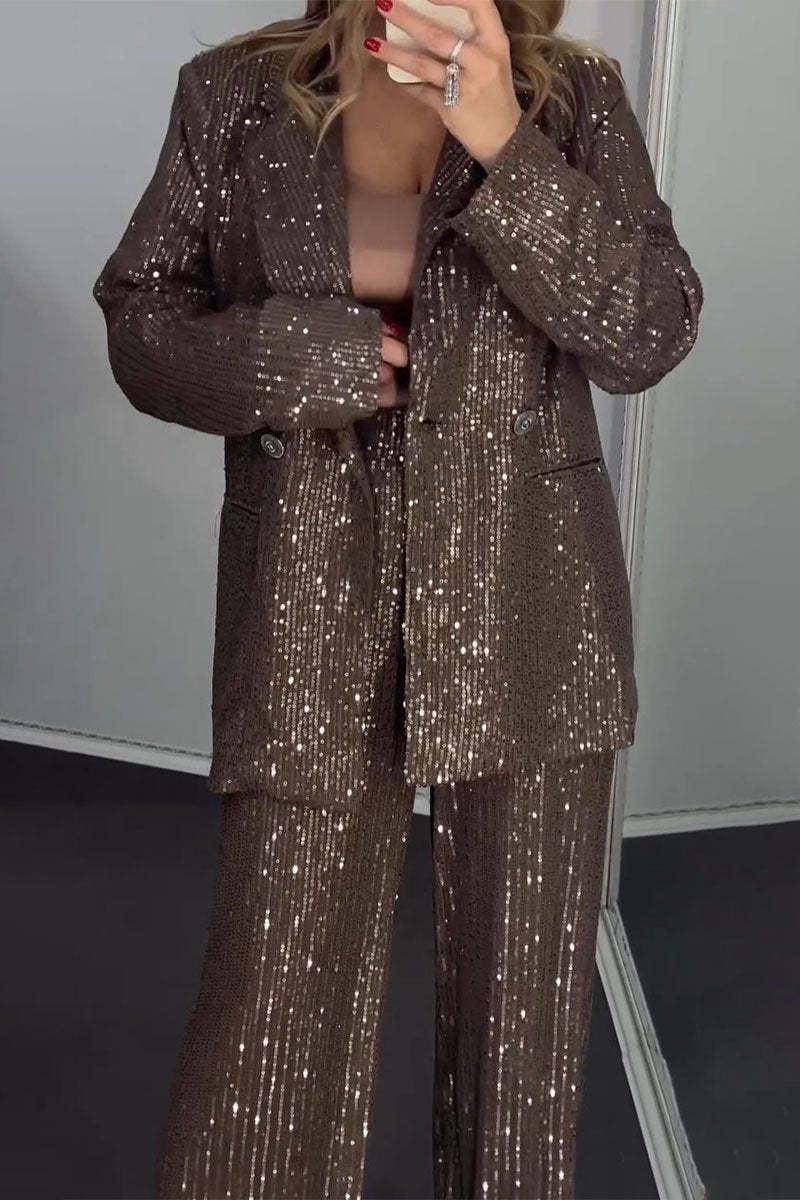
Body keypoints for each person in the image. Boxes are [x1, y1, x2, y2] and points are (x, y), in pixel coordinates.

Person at [92, 1, 703, 1196]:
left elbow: (645, 331)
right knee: (273, 998)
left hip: (531, 601)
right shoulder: (234, 92)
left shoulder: (570, 98)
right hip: (308, 594)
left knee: (519, 1027)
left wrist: (501, 137)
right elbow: (141, 319)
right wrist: (297, 358)